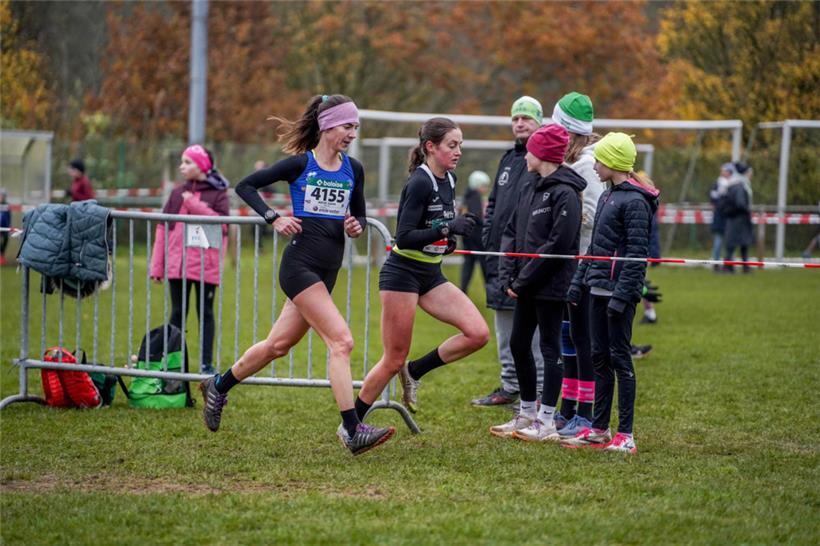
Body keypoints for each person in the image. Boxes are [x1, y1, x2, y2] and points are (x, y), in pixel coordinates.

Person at [199, 95, 395, 456]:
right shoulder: (300, 164)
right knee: (341, 342)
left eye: (355, 127)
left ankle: (218, 385)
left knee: (277, 346)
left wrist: (356, 225)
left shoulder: (354, 169)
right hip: (299, 267)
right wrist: (273, 217)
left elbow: (359, 216)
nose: (353, 134)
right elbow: (245, 186)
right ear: (327, 126)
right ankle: (352, 430)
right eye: (347, 126)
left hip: (327, 271)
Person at [355, 117, 490, 419]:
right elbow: (404, 237)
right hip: (402, 275)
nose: (458, 152)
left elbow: (432, 229)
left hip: (431, 275)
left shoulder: (451, 179)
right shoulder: (419, 182)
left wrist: (447, 241)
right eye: (452, 145)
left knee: (478, 333)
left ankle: (414, 371)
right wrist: (446, 229)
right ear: (430, 146)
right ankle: (351, 423)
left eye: (460, 145)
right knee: (393, 359)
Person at [488, 123, 586, 441]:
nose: (525, 155)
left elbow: (559, 244)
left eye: (530, 150)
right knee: (518, 343)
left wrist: (524, 279)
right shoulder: (529, 186)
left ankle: (546, 421)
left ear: (542, 153)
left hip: (551, 285)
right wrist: (508, 274)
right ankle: (527, 413)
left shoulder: (566, 193)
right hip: (525, 283)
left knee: (549, 346)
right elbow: (511, 232)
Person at [563, 132, 660, 454]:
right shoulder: (607, 196)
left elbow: (636, 255)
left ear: (614, 163)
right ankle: (600, 428)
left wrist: (621, 295)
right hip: (596, 289)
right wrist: (578, 283)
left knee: (620, 360)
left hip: (618, 295)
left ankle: (626, 435)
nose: (594, 166)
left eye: (599, 161)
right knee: (599, 358)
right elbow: (594, 248)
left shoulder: (635, 202)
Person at [472, 96, 546, 407]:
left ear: (539, 122)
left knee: (533, 327)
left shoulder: (544, 161)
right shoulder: (507, 159)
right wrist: (488, 236)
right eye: (515, 118)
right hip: (498, 257)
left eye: (526, 118)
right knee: (503, 322)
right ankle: (510, 384)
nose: (519, 123)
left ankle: (539, 389)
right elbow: (493, 205)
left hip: (527, 259)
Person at [546, 91, 602, 438]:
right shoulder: (569, 163)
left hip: (586, 264)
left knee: (583, 339)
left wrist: (561, 216)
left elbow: (594, 215)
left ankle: (586, 412)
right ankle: (567, 407)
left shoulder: (588, 165)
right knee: (567, 335)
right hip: (568, 265)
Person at [150, 145, 230, 376]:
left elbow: (223, 224)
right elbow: (162, 229)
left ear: (202, 166)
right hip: (178, 267)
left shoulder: (219, 194)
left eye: (187, 162)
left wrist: (194, 204)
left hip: (207, 267)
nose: (181, 167)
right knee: (177, 314)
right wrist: (157, 266)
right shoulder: (176, 193)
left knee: (205, 313)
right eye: (182, 162)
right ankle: (173, 361)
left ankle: (206, 364)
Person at [459, 170, 490, 293]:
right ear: (477, 184)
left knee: (468, 264)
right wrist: (486, 224)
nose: (486, 188)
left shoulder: (466, 196)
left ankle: (463, 291)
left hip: (466, 236)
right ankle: (490, 290)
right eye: (484, 185)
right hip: (476, 236)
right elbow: (476, 216)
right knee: (484, 263)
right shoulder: (475, 196)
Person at [721, 162, 755, 273]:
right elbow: (740, 203)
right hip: (739, 219)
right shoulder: (741, 186)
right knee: (738, 244)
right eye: (749, 173)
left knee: (738, 244)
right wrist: (747, 209)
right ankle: (730, 266)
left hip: (734, 219)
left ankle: (739, 266)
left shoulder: (734, 184)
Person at [709, 163, 733, 272]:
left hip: (727, 216)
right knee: (719, 241)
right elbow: (713, 199)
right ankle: (716, 263)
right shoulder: (719, 183)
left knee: (728, 242)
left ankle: (727, 263)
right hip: (721, 216)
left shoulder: (730, 183)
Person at [0, 188, 10, 266]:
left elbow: (8, 217)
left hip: (5, 227)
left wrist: (8, 226)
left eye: (3, 195)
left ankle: (2, 256)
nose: (2, 197)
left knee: (5, 240)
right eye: (1, 195)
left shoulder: (7, 205)